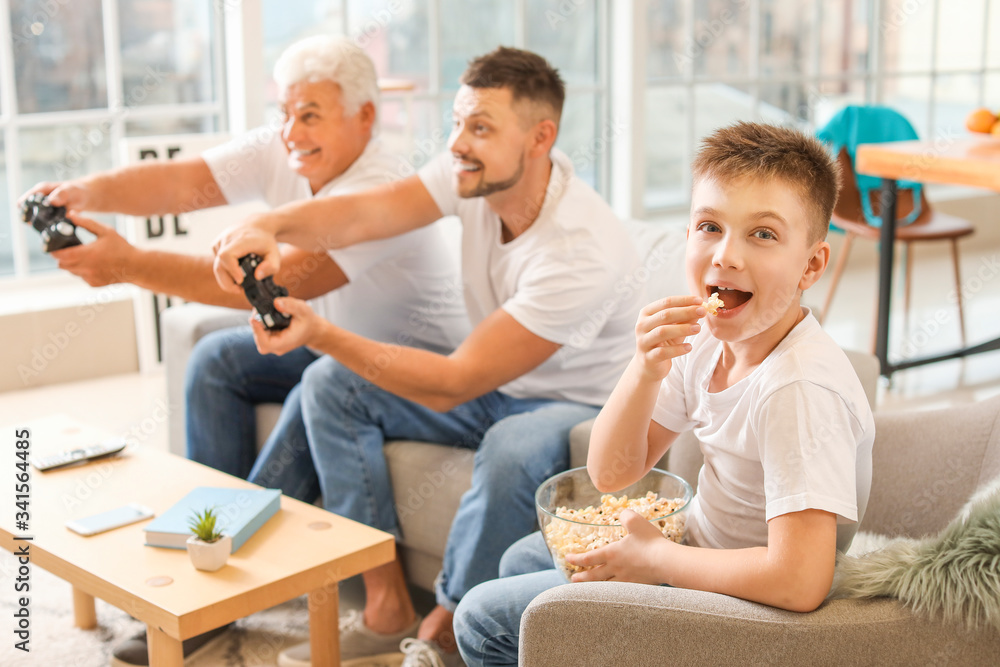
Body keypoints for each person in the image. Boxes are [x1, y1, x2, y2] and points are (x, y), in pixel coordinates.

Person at [20, 36, 468, 667]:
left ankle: (210, 587)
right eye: (284, 111)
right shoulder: (285, 141)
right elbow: (180, 183)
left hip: (400, 367)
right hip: (325, 343)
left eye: (310, 113)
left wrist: (125, 265)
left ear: (364, 116)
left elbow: (291, 284)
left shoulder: (382, 188)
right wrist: (86, 193)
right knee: (215, 359)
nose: (291, 130)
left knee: (318, 394)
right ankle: (199, 553)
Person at [211, 47, 643, 667]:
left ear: (540, 137)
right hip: (492, 377)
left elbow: (453, 385)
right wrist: (270, 225)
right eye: (458, 122)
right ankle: (387, 607)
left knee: (514, 447)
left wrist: (318, 331)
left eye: (481, 127)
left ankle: (448, 627)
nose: (459, 142)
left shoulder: (580, 248)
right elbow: (369, 210)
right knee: (332, 384)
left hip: (574, 400)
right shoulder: (472, 169)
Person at [452, 121, 877, 667]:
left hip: (742, 605)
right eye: (709, 226)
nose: (726, 255)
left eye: (763, 234)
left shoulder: (798, 390)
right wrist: (644, 368)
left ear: (812, 264)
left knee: (483, 619)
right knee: (521, 559)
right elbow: (611, 474)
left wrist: (660, 561)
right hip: (696, 546)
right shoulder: (702, 339)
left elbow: (800, 582)